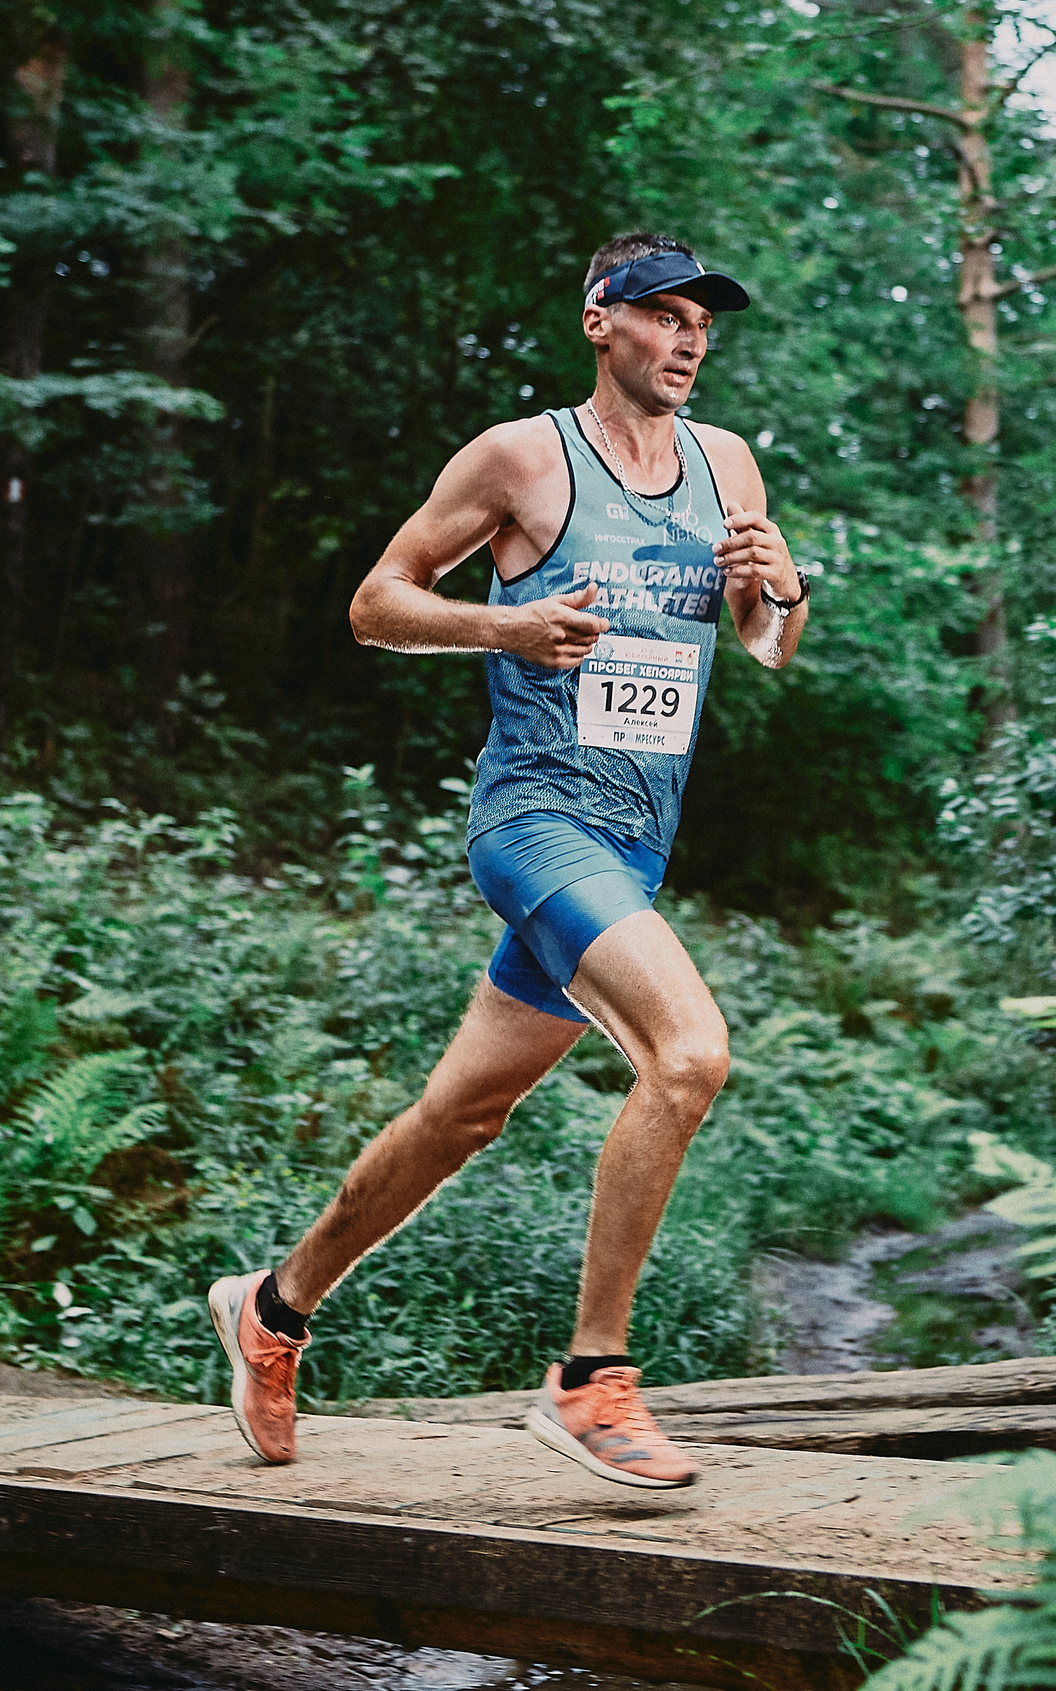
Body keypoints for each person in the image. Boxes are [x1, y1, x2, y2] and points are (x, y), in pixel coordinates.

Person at [204, 234, 808, 1489]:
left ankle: (275, 1306)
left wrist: (782, 591)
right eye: (664, 316)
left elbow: (762, 643)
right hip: (535, 822)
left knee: (462, 1116)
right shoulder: (523, 457)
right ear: (601, 321)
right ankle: (591, 1383)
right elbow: (378, 602)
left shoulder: (730, 464)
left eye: (705, 322)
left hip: (635, 843)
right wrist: (507, 624)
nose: (690, 339)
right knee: (689, 1056)